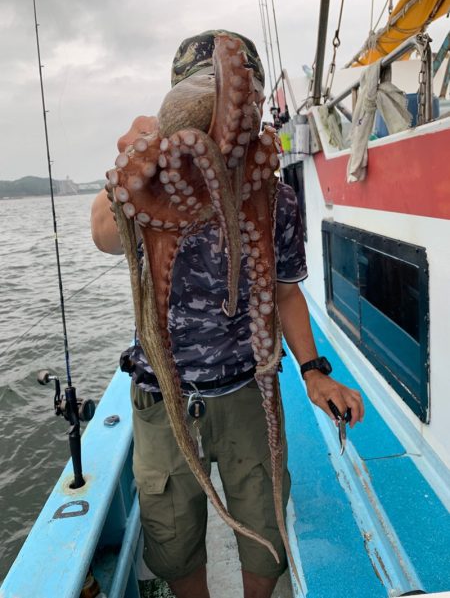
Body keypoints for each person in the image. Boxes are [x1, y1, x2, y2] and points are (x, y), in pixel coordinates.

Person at [91, 31, 364, 598]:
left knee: (263, 520)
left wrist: (313, 371)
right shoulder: (147, 186)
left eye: (246, 102)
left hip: (247, 390)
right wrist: (136, 157)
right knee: (172, 534)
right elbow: (102, 235)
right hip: (163, 398)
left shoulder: (276, 197)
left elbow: (286, 292)